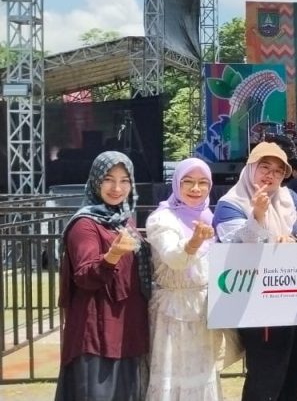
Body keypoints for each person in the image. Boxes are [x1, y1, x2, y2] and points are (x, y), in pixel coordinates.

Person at [211, 142, 297, 401]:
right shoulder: (231, 203)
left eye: (278, 171)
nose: (271, 175)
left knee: (296, 372)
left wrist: (294, 240)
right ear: (250, 168)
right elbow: (235, 249)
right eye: (264, 167)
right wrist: (257, 215)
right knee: (267, 376)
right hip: (259, 305)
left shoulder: (289, 198)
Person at [55, 151, 150, 401]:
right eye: (108, 179)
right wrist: (112, 255)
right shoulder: (85, 224)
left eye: (124, 180)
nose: (117, 188)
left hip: (127, 329)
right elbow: (84, 275)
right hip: (97, 333)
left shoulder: (123, 220)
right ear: (96, 180)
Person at [147, 158, 241, 401]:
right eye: (188, 182)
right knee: (173, 376)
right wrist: (193, 243)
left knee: (202, 376)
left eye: (203, 183)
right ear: (177, 183)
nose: (196, 189)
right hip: (173, 310)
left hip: (203, 309)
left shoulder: (209, 216)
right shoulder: (162, 219)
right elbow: (174, 258)